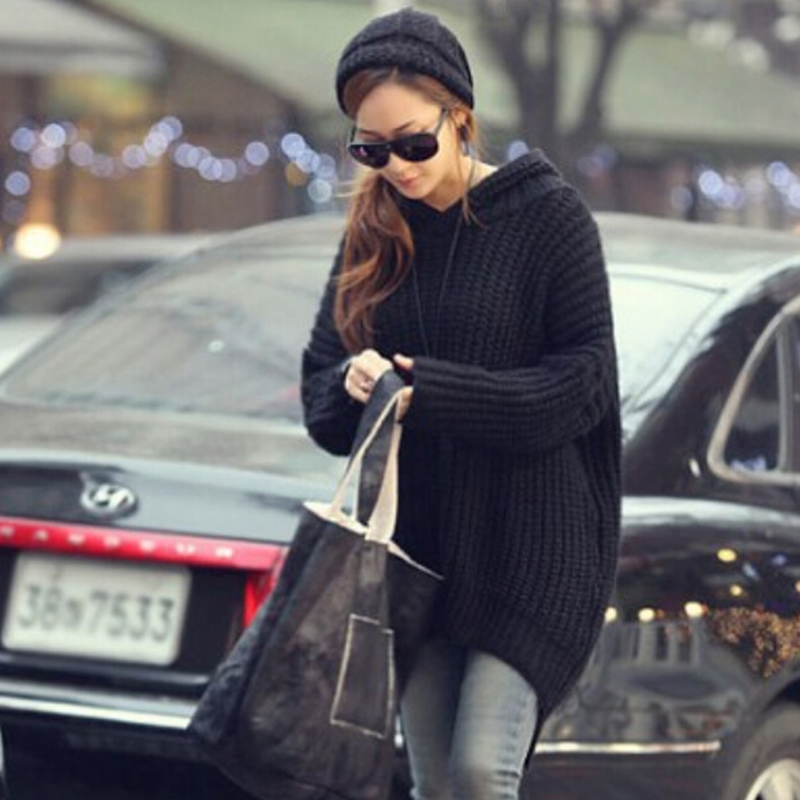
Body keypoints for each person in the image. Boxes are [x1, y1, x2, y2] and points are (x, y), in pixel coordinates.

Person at [301, 7, 621, 800]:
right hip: (418, 556)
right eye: (371, 150)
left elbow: (580, 386)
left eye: (414, 143)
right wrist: (353, 386)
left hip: (534, 550)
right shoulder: (373, 230)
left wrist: (433, 394)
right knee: (436, 783)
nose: (396, 167)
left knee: (481, 771)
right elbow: (319, 398)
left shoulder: (547, 218)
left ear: (460, 117)